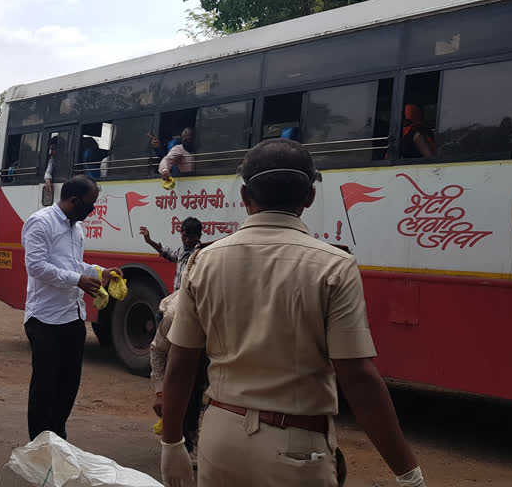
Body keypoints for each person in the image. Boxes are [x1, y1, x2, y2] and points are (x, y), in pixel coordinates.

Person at [160, 139, 426, 487]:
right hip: (296, 447)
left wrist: (172, 442)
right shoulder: (334, 266)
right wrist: (408, 472)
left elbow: (180, 362)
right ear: (309, 198)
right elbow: (358, 378)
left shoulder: (204, 260)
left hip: (219, 439)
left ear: (245, 197)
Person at [21, 175, 123, 441]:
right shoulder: (40, 222)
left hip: (72, 317)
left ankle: (57, 439)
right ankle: (40, 448)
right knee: (44, 389)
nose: (92, 210)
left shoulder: (76, 227)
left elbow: (74, 265)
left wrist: (101, 272)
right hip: (45, 319)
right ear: (74, 201)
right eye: (90, 205)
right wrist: (77, 280)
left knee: (68, 386)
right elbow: (36, 266)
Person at [150, 290, 207, 467]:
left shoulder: (219, 314)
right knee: (179, 386)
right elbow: (158, 351)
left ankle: (193, 435)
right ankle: (181, 444)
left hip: (202, 335)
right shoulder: (174, 316)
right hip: (170, 321)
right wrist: (160, 393)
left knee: (198, 384)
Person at [139, 217, 201, 292]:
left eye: (191, 237)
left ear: (199, 236)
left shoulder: (201, 254)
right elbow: (169, 254)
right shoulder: (181, 250)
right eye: (185, 236)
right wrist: (149, 241)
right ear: (181, 233)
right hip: (177, 296)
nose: (187, 240)